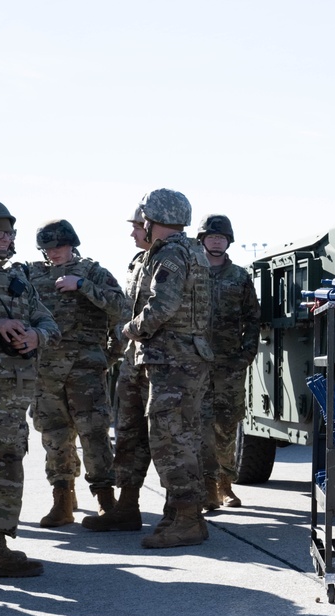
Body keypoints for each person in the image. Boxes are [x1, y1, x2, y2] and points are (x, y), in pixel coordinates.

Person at [84, 189, 213, 549]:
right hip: (158, 359)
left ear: (154, 219)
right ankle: (136, 508)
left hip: (174, 361)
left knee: (172, 438)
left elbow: (163, 305)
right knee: (139, 433)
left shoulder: (172, 253)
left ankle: (187, 517)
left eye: (142, 221)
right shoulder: (169, 253)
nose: (137, 228)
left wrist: (130, 329)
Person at [28, 219, 129, 528]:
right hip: (45, 372)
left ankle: (104, 497)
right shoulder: (31, 275)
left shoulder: (94, 273)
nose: (53, 252)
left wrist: (82, 286)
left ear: (72, 243)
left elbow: (122, 309)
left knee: (95, 433)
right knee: (55, 436)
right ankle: (62, 498)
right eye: (47, 247)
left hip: (85, 371)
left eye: (58, 246)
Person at [0, 200, 61, 580]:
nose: (6, 239)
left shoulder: (17, 280)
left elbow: (48, 322)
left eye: (9, 234)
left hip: (11, 400)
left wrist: (37, 335)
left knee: (7, 469)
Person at [195, 214, 259, 510]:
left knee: (227, 425)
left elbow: (253, 319)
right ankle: (207, 486)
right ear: (203, 240)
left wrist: (246, 354)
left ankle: (225, 484)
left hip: (230, 365)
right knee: (200, 425)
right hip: (196, 364)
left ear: (228, 241)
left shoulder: (240, 277)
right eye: (211, 237)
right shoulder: (192, 272)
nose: (216, 241)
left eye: (221, 238)